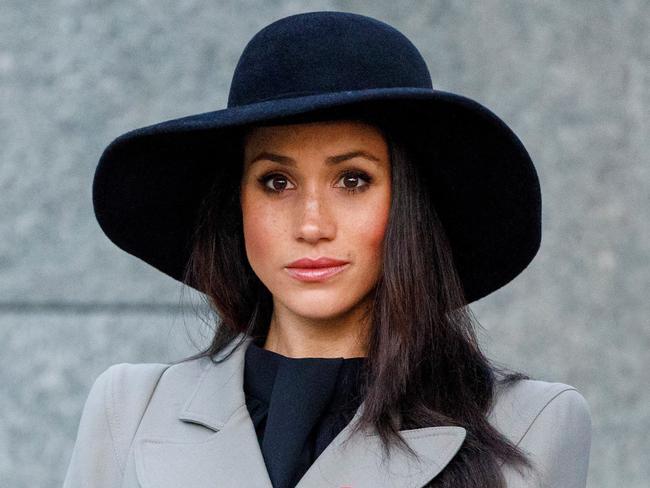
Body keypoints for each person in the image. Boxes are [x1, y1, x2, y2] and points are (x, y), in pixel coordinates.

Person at [63, 10, 592, 488]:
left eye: (353, 180)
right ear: (237, 206)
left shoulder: (529, 423)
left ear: (408, 204)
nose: (311, 224)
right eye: (275, 182)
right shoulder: (130, 409)